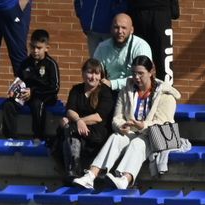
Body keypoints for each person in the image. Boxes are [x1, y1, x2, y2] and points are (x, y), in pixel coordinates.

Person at [73, 56, 179, 191]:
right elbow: (117, 117)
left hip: (152, 136)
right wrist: (121, 126)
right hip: (130, 131)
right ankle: (91, 175)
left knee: (138, 143)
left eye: (141, 73)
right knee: (115, 137)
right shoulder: (127, 90)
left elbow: (164, 123)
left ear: (151, 72)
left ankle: (125, 179)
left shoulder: (166, 95)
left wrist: (143, 125)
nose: (136, 77)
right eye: (134, 73)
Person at [57, 58, 117, 179]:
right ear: (83, 73)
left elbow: (98, 117)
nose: (93, 77)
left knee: (70, 129)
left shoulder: (105, 91)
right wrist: (78, 121)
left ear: (101, 76)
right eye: (90, 72)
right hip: (78, 128)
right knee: (69, 129)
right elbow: (70, 110)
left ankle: (74, 169)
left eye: (96, 73)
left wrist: (79, 121)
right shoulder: (76, 89)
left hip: (97, 131)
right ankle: (73, 170)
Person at [1, 29, 60, 140]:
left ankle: (38, 137)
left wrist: (33, 92)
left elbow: (55, 87)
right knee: (8, 104)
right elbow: (19, 79)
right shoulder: (25, 63)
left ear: (47, 48)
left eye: (39, 48)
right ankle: (10, 137)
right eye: (33, 47)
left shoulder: (51, 64)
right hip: (25, 95)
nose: (35, 51)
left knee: (37, 104)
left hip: (43, 95)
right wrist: (14, 90)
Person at [92, 12, 151, 91]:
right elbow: (94, 71)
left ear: (131, 30)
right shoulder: (102, 47)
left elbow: (143, 76)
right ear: (111, 29)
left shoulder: (141, 46)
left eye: (124, 28)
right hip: (109, 90)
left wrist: (113, 84)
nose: (120, 31)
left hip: (135, 90)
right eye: (116, 27)